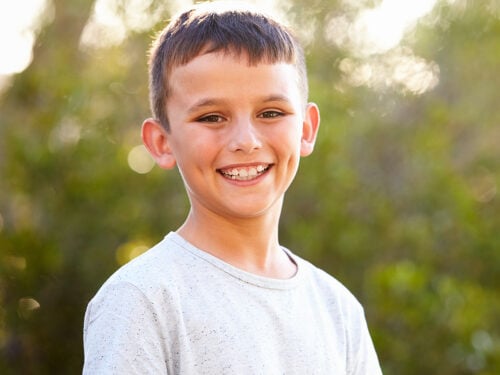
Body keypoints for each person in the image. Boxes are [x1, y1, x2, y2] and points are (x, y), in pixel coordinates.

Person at [83, 1, 382, 374]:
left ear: (306, 130)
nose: (246, 140)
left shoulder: (338, 309)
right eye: (211, 117)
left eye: (271, 113)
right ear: (162, 142)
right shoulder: (142, 299)